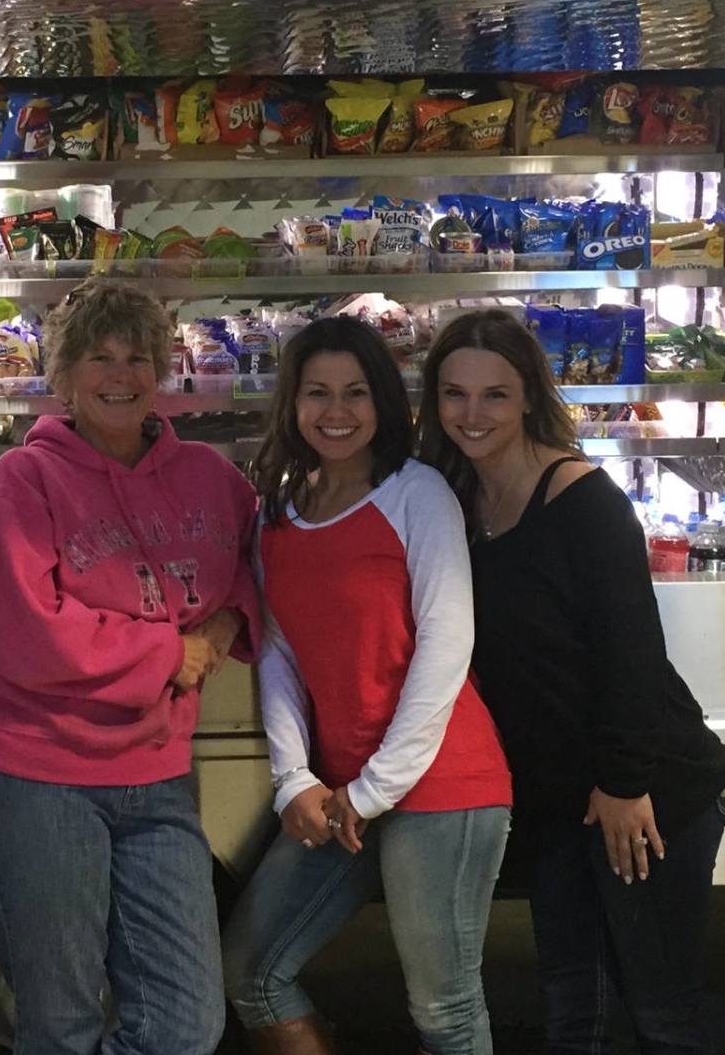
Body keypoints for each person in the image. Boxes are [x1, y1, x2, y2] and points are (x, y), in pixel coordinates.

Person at [0, 277, 261, 1055]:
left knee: (187, 1024)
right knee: (61, 1023)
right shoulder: (26, 481)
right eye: (99, 357)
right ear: (64, 374)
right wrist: (170, 651)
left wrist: (227, 622)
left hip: (157, 777)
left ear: (160, 369)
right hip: (38, 779)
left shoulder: (209, 478)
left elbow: (258, 564)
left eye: (137, 356)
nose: (120, 375)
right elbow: (22, 628)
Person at [418, 308, 725, 1055]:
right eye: (455, 393)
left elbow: (632, 655)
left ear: (529, 395)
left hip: (651, 792)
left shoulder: (583, 500)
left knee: (661, 1013)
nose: (472, 413)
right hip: (557, 801)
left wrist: (624, 784)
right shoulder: (454, 499)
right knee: (571, 1011)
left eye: (495, 394)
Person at [223, 316, 513, 1055]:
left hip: (441, 783)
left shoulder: (418, 495)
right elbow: (281, 654)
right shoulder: (278, 513)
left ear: (383, 401)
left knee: (445, 1012)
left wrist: (376, 787)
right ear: (291, 404)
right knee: (251, 971)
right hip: (340, 787)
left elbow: (449, 643)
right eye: (317, 392)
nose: (336, 410)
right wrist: (294, 780)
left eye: (355, 392)